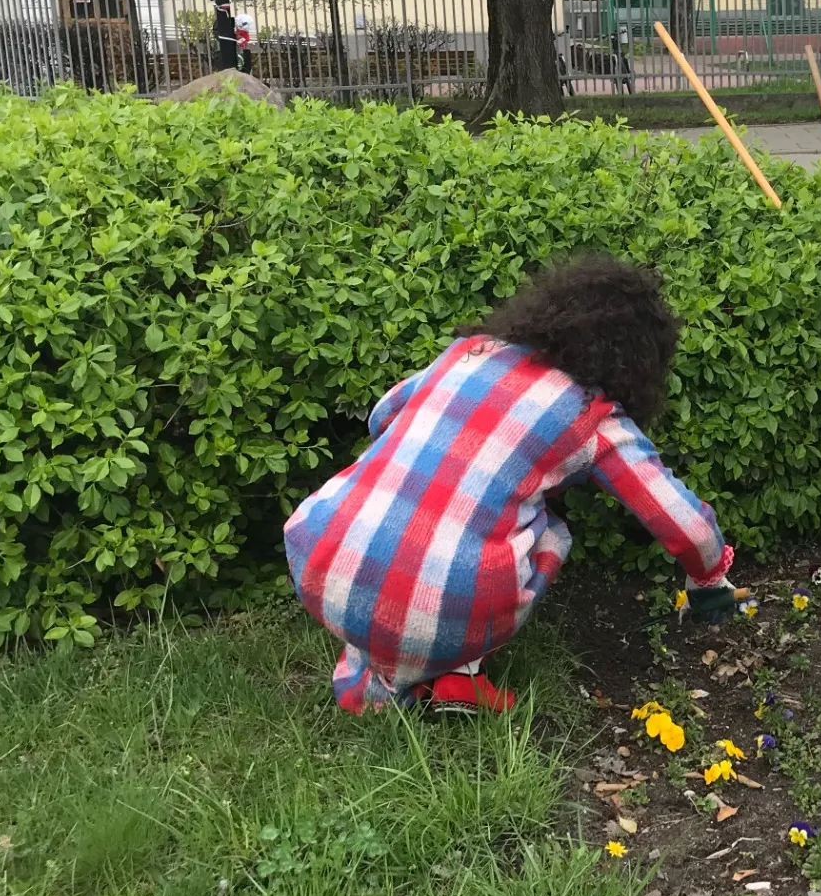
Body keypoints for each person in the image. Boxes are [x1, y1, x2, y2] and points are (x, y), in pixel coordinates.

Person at [285, 255, 739, 714]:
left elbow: (382, 416)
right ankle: (453, 672)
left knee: (427, 526)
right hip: (438, 615)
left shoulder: (469, 352)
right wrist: (708, 579)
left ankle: (389, 666)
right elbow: (686, 524)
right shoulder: (591, 415)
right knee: (546, 530)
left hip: (320, 562)